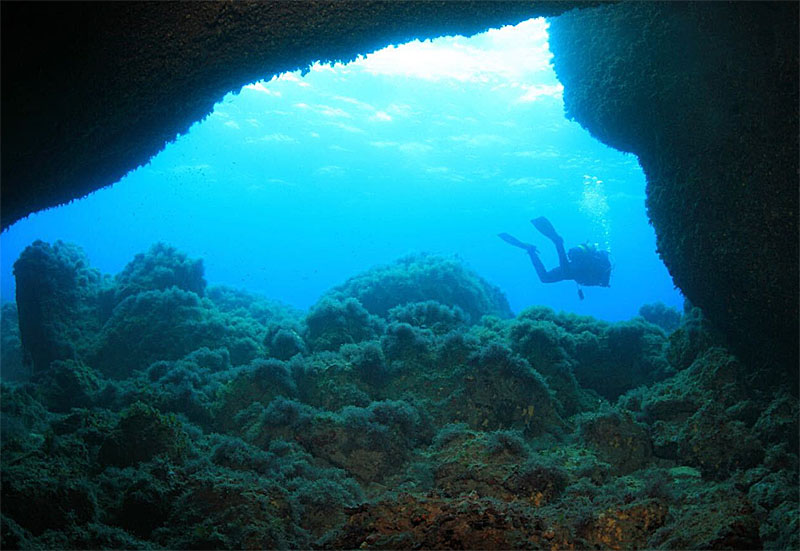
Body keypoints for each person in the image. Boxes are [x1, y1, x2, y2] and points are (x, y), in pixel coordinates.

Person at [499, 217, 611, 296]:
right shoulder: (603, 268)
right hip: (580, 268)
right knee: (566, 272)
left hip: (578, 268)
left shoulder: (602, 265)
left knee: (545, 278)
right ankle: (558, 242)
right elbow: (601, 280)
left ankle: (531, 251)